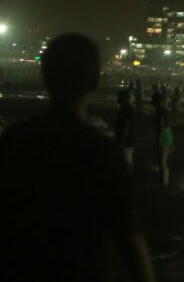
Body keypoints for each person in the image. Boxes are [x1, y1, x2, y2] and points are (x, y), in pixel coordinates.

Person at [0, 33, 155, 282]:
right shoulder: (102, 153)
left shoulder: (14, 141)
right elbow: (131, 242)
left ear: (45, 76)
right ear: (94, 81)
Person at [151, 92, 174, 188]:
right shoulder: (164, 110)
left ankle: (164, 183)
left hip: (164, 136)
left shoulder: (159, 112)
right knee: (162, 161)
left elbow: (160, 127)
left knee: (162, 162)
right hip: (168, 135)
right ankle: (163, 181)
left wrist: (158, 142)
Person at [115, 88, 136, 172]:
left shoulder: (125, 110)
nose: (118, 100)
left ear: (124, 99)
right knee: (127, 160)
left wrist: (122, 139)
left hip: (127, 141)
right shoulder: (129, 109)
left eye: (119, 98)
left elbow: (126, 125)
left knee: (127, 161)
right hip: (129, 139)